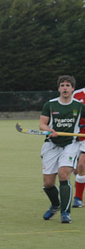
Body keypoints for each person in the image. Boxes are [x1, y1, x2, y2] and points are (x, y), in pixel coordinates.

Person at [38, 75, 84, 224]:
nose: (65, 88)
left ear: (72, 89)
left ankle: (65, 212)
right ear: (59, 88)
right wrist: (49, 130)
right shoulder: (50, 105)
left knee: (64, 175)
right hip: (51, 144)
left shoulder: (79, 106)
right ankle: (55, 205)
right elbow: (42, 124)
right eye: (62, 85)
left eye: (68, 85)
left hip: (71, 144)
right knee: (48, 183)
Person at [70, 86, 85, 208]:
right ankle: (80, 181)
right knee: (76, 170)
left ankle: (78, 198)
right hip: (76, 136)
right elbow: (73, 112)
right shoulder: (77, 94)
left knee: (81, 165)